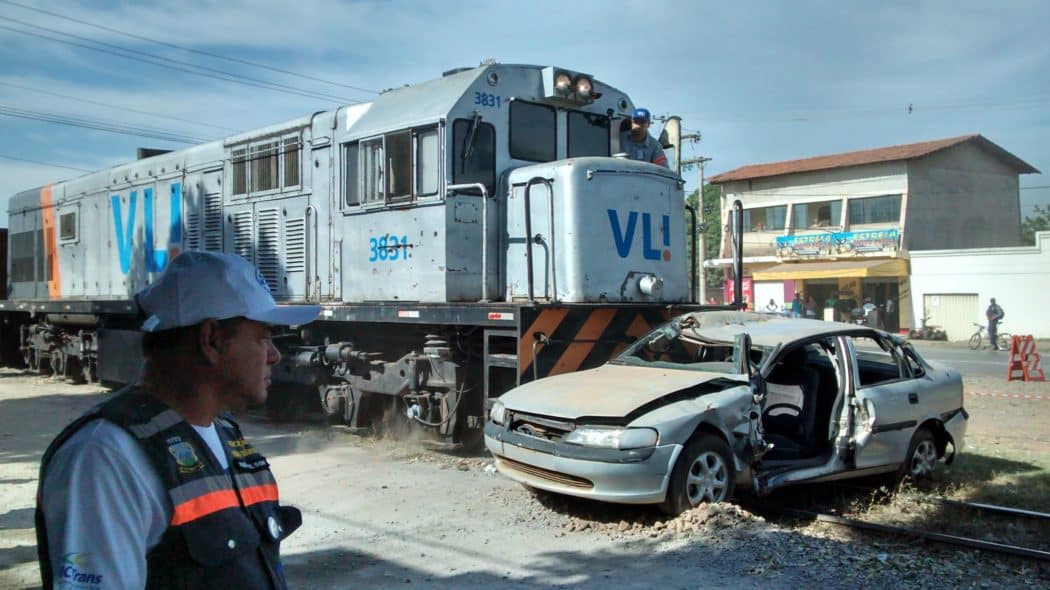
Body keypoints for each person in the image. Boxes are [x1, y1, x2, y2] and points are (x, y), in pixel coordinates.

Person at [36, 252, 321, 589]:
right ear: (211, 340)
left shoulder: (224, 435)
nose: (274, 355)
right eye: (263, 337)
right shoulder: (103, 459)